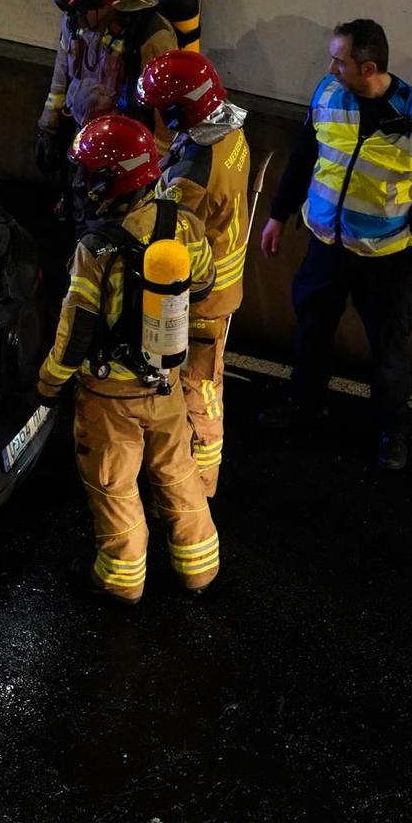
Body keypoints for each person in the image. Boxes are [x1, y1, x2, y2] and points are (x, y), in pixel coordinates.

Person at [37, 115, 218, 603]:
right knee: (178, 475)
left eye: (89, 175)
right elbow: (203, 282)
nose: (81, 184)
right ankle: (198, 570)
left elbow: (74, 335)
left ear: (111, 181)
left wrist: (48, 384)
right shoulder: (180, 224)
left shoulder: (95, 250)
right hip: (165, 384)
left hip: (108, 396)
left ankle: (121, 581)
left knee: (114, 489)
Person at [259, 19, 412, 469]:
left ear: (367, 67)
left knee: (388, 350)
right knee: (311, 330)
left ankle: (393, 432)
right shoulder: (328, 96)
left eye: (339, 60)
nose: (330, 67)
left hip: (387, 257)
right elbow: (303, 157)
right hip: (326, 245)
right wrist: (277, 214)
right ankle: (306, 403)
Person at [137, 50, 251, 497]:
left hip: (203, 301)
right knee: (205, 382)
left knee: (199, 387)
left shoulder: (192, 175)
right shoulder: (229, 129)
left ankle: (201, 482)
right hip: (223, 288)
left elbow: (168, 243)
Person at [35, 0, 178, 230]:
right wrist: (48, 124)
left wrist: (150, 179)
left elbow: (164, 123)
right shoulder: (76, 18)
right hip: (81, 146)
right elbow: (63, 71)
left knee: (103, 241)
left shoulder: (151, 35)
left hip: (122, 167)